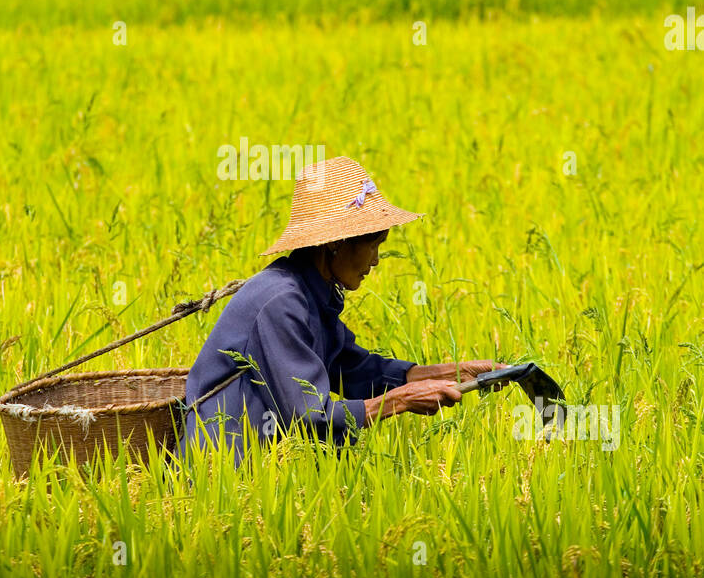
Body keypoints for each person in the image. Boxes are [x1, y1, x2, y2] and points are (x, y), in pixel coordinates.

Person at [180, 155, 506, 464]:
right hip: (224, 470)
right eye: (373, 245)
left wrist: (453, 372)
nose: (376, 260)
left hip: (264, 469)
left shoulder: (310, 292)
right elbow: (307, 414)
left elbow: (353, 370)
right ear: (335, 243)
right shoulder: (280, 301)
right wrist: (404, 399)